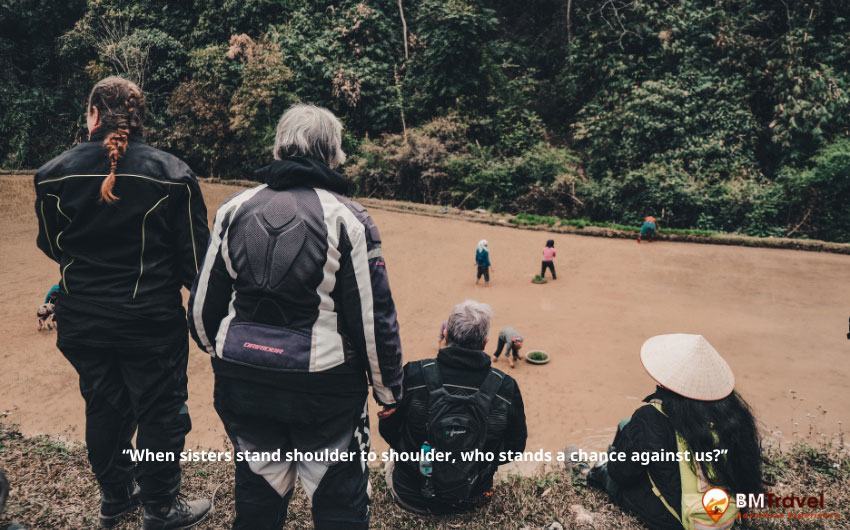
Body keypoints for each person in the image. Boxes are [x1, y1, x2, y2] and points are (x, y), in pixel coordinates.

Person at [189, 103, 404, 530]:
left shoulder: (233, 209)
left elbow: (200, 311)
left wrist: (226, 351)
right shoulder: (350, 218)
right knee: (338, 501)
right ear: (333, 154)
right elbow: (374, 320)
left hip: (241, 380)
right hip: (323, 390)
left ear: (279, 147)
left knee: (258, 494)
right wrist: (389, 393)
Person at [34, 76, 211, 529]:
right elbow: (196, 262)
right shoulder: (173, 174)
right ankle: (160, 506)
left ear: (92, 114)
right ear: (139, 118)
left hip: (83, 321)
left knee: (103, 405)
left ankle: (115, 498)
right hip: (150, 322)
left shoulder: (52, 175)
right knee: (160, 412)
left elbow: (53, 245)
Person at [585, 334, 763, 530]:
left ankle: (590, 471)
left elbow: (623, 474)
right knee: (631, 429)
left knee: (615, 473)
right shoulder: (734, 414)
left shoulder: (650, 417)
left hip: (680, 520)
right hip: (725, 513)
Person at [379, 300, 527, 514]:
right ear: (485, 342)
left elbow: (388, 429)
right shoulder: (505, 387)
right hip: (473, 498)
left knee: (393, 458)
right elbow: (515, 446)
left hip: (412, 496)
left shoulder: (414, 374)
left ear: (446, 334)